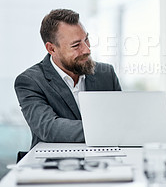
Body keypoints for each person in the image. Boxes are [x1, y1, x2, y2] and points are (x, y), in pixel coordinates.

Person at [15, 9, 121, 149]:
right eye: (76, 45)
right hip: (54, 165)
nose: (87, 50)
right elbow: (49, 128)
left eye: (86, 39)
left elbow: (121, 119)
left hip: (105, 159)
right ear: (52, 49)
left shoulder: (106, 74)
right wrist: (106, 130)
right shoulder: (30, 81)